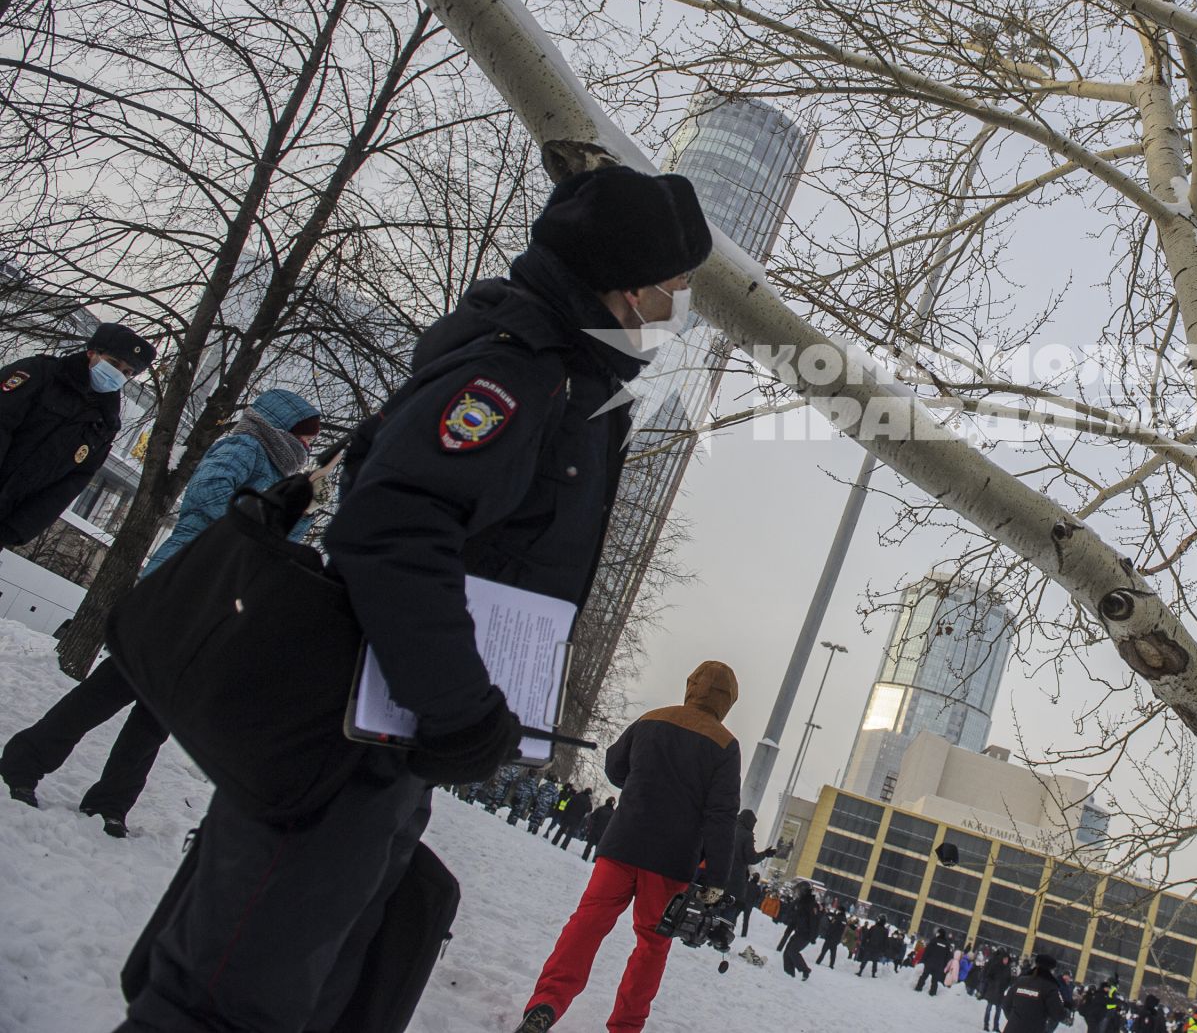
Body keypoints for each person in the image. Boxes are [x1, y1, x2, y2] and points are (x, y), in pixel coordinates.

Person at [116, 164, 713, 1033]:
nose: (677, 305)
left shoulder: (563, 378)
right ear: (621, 285)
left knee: (299, 993)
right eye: (672, 286)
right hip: (341, 741)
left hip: (387, 742)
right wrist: (459, 704)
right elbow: (390, 526)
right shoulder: (518, 374)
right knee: (224, 1004)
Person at [2, 388, 320, 835]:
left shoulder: (277, 473)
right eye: (304, 436)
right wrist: (271, 510)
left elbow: (275, 543)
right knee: (115, 687)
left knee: (160, 711)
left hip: (221, 594)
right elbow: (209, 498)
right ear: (280, 427)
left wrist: (300, 510)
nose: (308, 446)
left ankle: (112, 802)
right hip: (182, 582)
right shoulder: (242, 446)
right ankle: (25, 760)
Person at [516, 660, 742, 1033]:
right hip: (671, 862)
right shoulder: (724, 744)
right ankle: (625, 1027)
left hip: (622, 844)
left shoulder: (652, 719)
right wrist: (716, 877)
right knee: (652, 946)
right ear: (728, 701)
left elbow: (614, 767)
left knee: (587, 923)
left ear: (691, 686)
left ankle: (546, 1002)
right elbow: (721, 815)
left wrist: (643, 787)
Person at [0, 321, 154, 550]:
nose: (118, 375)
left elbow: (71, 484)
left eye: (127, 372)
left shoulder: (105, 424)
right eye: (113, 363)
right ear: (92, 353)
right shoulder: (41, 373)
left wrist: (15, 530)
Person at [722, 809, 778, 937]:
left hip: (721, 874)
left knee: (718, 905)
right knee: (730, 909)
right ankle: (722, 935)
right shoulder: (747, 835)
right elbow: (751, 858)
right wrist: (765, 853)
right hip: (735, 880)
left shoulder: (730, 828)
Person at [1002, 955, 1071, 1033]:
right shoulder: (1050, 987)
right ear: (1051, 971)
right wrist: (1066, 1012)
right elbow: (1058, 1013)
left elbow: (1006, 1004)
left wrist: (1015, 1020)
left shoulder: (1021, 981)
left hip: (1012, 1029)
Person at [780, 883, 819, 980]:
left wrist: (813, 937)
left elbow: (814, 921)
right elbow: (795, 918)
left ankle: (805, 970)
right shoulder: (799, 902)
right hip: (798, 932)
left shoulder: (811, 904)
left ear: (803, 891)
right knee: (787, 953)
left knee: (793, 951)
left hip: (806, 934)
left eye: (798, 891)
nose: (797, 893)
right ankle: (789, 975)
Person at [978, 948, 1013, 1030]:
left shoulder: (1008, 969)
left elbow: (1009, 980)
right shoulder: (996, 966)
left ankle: (996, 1027)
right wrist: (992, 983)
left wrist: (1005, 987)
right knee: (989, 1009)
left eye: (1007, 959)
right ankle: (986, 1025)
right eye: (1005, 959)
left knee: (998, 1011)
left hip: (1000, 992)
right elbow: (988, 975)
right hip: (992, 990)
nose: (1006, 961)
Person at [916, 928, 955, 996]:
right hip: (939, 966)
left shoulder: (934, 940)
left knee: (924, 976)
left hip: (930, 963)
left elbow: (927, 951)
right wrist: (943, 965)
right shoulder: (947, 944)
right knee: (935, 980)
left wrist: (923, 960)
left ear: (939, 934)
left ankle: (918, 988)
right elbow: (948, 956)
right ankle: (932, 993)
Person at [578, 797, 615, 863]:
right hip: (604, 834)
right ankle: (594, 861)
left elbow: (592, 818)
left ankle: (584, 857)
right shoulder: (613, 813)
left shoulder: (600, 809)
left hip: (594, 830)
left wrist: (589, 828)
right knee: (598, 848)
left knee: (589, 845)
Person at [815, 898, 847, 968]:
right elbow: (842, 929)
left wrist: (827, 935)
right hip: (836, 939)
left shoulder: (837, 917)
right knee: (833, 952)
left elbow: (832, 927)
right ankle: (831, 965)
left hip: (830, 937)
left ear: (840, 911)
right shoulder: (845, 920)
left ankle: (818, 961)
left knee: (824, 951)